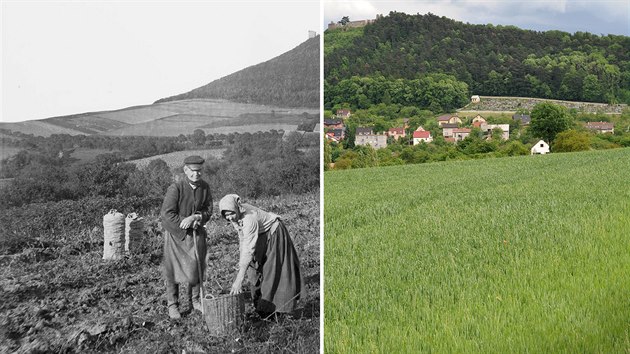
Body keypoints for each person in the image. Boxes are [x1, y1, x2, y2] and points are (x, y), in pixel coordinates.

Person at [218, 194, 305, 317]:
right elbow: (243, 239)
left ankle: (274, 310)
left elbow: (249, 247)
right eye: (225, 215)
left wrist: (239, 279)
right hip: (260, 235)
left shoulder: (249, 218)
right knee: (253, 269)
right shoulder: (236, 217)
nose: (229, 217)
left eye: (231, 213)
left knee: (271, 270)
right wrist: (241, 263)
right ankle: (261, 306)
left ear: (236, 209)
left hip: (274, 232)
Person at [160, 155, 213, 320]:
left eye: (199, 171)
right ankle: (173, 305)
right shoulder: (176, 188)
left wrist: (196, 217)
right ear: (185, 170)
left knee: (197, 267)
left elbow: (208, 210)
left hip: (196, 234)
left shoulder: (205, 187)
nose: (196, 175)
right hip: (177, 235)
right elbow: (166, 214)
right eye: (193, 171)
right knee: (173, 269)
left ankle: (195, 301)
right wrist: (185, 222)